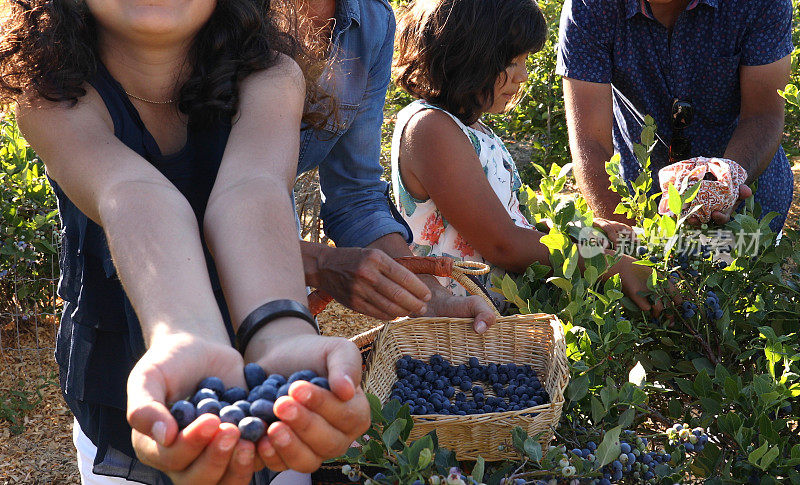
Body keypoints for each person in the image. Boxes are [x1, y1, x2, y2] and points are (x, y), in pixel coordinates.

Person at [1, 1, 369, 484]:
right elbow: (132, 192)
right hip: (122, 389)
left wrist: (280, 332)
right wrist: (185, 336)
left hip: (267, 386)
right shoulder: (49, 92)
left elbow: (251, 188)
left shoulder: (271, 75)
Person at [390, 0, 658, 313]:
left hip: (491, 327)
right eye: (513, 61)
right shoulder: (431, 129)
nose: (523, 76)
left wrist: (577, 232)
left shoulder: (473, 129)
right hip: (453, 329)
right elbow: (502, 242)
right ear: (469, 54)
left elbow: (505, 223)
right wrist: (611, 265)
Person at [294, 0, 497, 332]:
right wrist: (318, 263)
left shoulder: (371, 22)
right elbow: (193, 193)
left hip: (273, 251)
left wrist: (433, 301)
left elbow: (355, 199)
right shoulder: (226, 15)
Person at [556, 0, 794, 234]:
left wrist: (727, 181)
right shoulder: (590, 6)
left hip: (747, 197)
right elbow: (590, 141)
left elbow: (763, 115)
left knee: (740, 268)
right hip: (638, 199)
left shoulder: (757, 4)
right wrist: (634, 247)